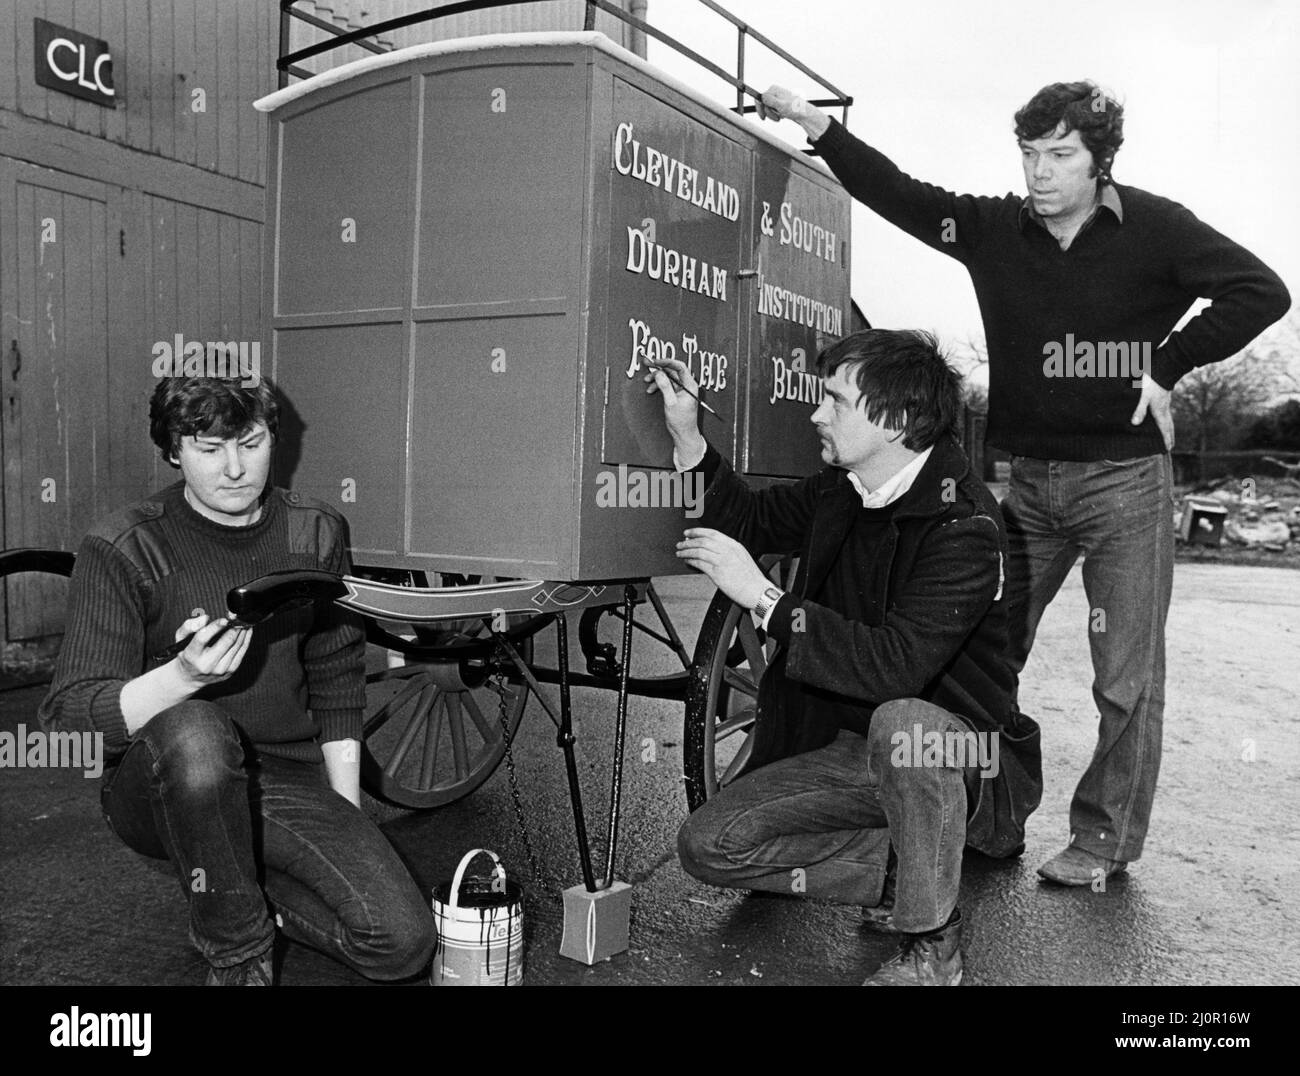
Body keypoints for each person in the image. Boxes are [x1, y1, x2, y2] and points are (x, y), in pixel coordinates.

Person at [757, 81, 1291, 885]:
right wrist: (817, 127)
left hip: (1126, 482)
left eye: (1061, 156)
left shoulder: (1157, 228)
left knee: (1125, 677)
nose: (1040, 173)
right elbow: (903, 195)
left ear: (1100, 161)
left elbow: (1263, 290)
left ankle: (1103, 840)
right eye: (1030, 155)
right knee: (978, 655)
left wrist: (1167, 366)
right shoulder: (995, 228)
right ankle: (987, 810)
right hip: (1024, 487)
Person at [653, 329, 1042, 986]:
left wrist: (765, 597)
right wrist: (688, 436)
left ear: (894, 421)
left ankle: (932, 944)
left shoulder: (965, 526)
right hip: (851, 753)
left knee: (902, 722)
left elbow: (896, 668)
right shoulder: (842, 488)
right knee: (707, 847)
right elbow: (749, 518)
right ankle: (900, 864)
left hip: (960, 758)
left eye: (835, 401)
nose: (816, 414)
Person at [38, 376, 436, 985]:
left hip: (281, 778)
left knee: (401, 945)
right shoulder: (125, 545)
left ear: (273, 440)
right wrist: (181, 676)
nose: (234, 469)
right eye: (209, 448)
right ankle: (239, 956)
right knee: (197, 731)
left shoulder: (316, 531)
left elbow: (336, 674)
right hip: (160, 782)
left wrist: (347, 817)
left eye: (250, 444)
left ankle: (232, 882)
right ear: (174, 450)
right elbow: (68, 716)